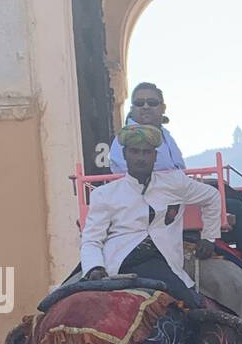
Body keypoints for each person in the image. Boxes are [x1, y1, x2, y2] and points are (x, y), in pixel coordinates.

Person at [110, 81, 242, 294]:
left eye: (152, 102)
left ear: (162, 107)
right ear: (132, 108)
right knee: (234, 209)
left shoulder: (165, 135)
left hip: (175, 191)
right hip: (157, 200)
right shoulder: (127, 140)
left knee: (234, 195)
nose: (146, 107)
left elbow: (177, 170)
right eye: (140, 103)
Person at [80, 123, 219, 305]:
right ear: (124, 155)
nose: (140, 158)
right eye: (135, 152)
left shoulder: (175, 183)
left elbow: (212, 196)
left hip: (164, 259)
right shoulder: (105, 194)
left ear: (154, 156)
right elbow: (91, 239)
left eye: (146, 152)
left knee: (193, 305)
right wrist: (94, 267)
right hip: (122, 259)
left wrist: (209, 237)